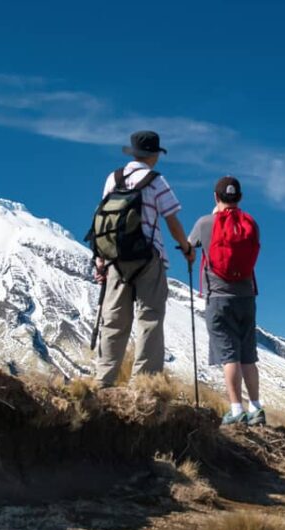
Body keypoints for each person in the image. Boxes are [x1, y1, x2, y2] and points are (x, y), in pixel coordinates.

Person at [92, 130, 194, 387]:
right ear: (154, 155)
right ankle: (144, 385)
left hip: (115, 258)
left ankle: (104, 381)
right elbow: (172, 220)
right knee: (149, 318)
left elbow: (102, 218)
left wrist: (100, 258)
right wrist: (186, 247)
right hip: (148, 257)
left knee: (114, 320)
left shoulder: (113, 179)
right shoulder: (156, 181)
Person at [187, 175, 265, 426]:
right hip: (246, 297)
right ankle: (256, 408)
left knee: (229, 355)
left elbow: (189, 248)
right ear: (239, 197)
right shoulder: (250, 224)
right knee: (248, 356)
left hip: (219, 298)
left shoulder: (205, 223)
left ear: (215, 197)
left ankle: (235, 409)